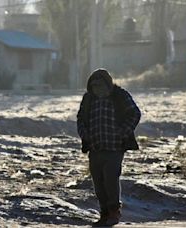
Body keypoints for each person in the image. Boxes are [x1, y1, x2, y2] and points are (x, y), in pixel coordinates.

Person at [77, 69, 141, 227]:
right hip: (95, 148)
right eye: (94, 86)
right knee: (98, 183)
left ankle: (114, 211)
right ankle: (104, 213)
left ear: (108, 84)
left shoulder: (120, 96)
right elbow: (80, 119)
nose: (97, 89)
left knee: (111, 180)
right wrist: (85, 134)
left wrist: (122, 132)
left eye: (100, 86)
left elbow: (135, 113)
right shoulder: (89, 99)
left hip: (114, 148)